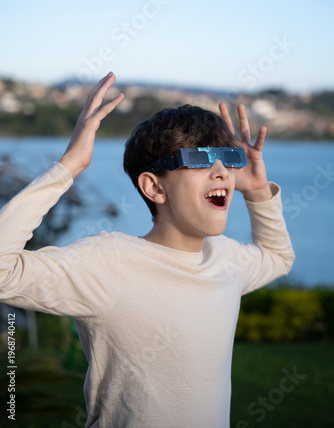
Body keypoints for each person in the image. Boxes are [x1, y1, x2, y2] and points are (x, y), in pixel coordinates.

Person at [0, 72, 295, 428]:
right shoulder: (107, 264)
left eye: (227, 158)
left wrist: (258, 191)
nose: (221, 172)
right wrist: (70, 165)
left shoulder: (225, 258)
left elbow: (278, 258)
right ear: (154, 187)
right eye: (200, 159)